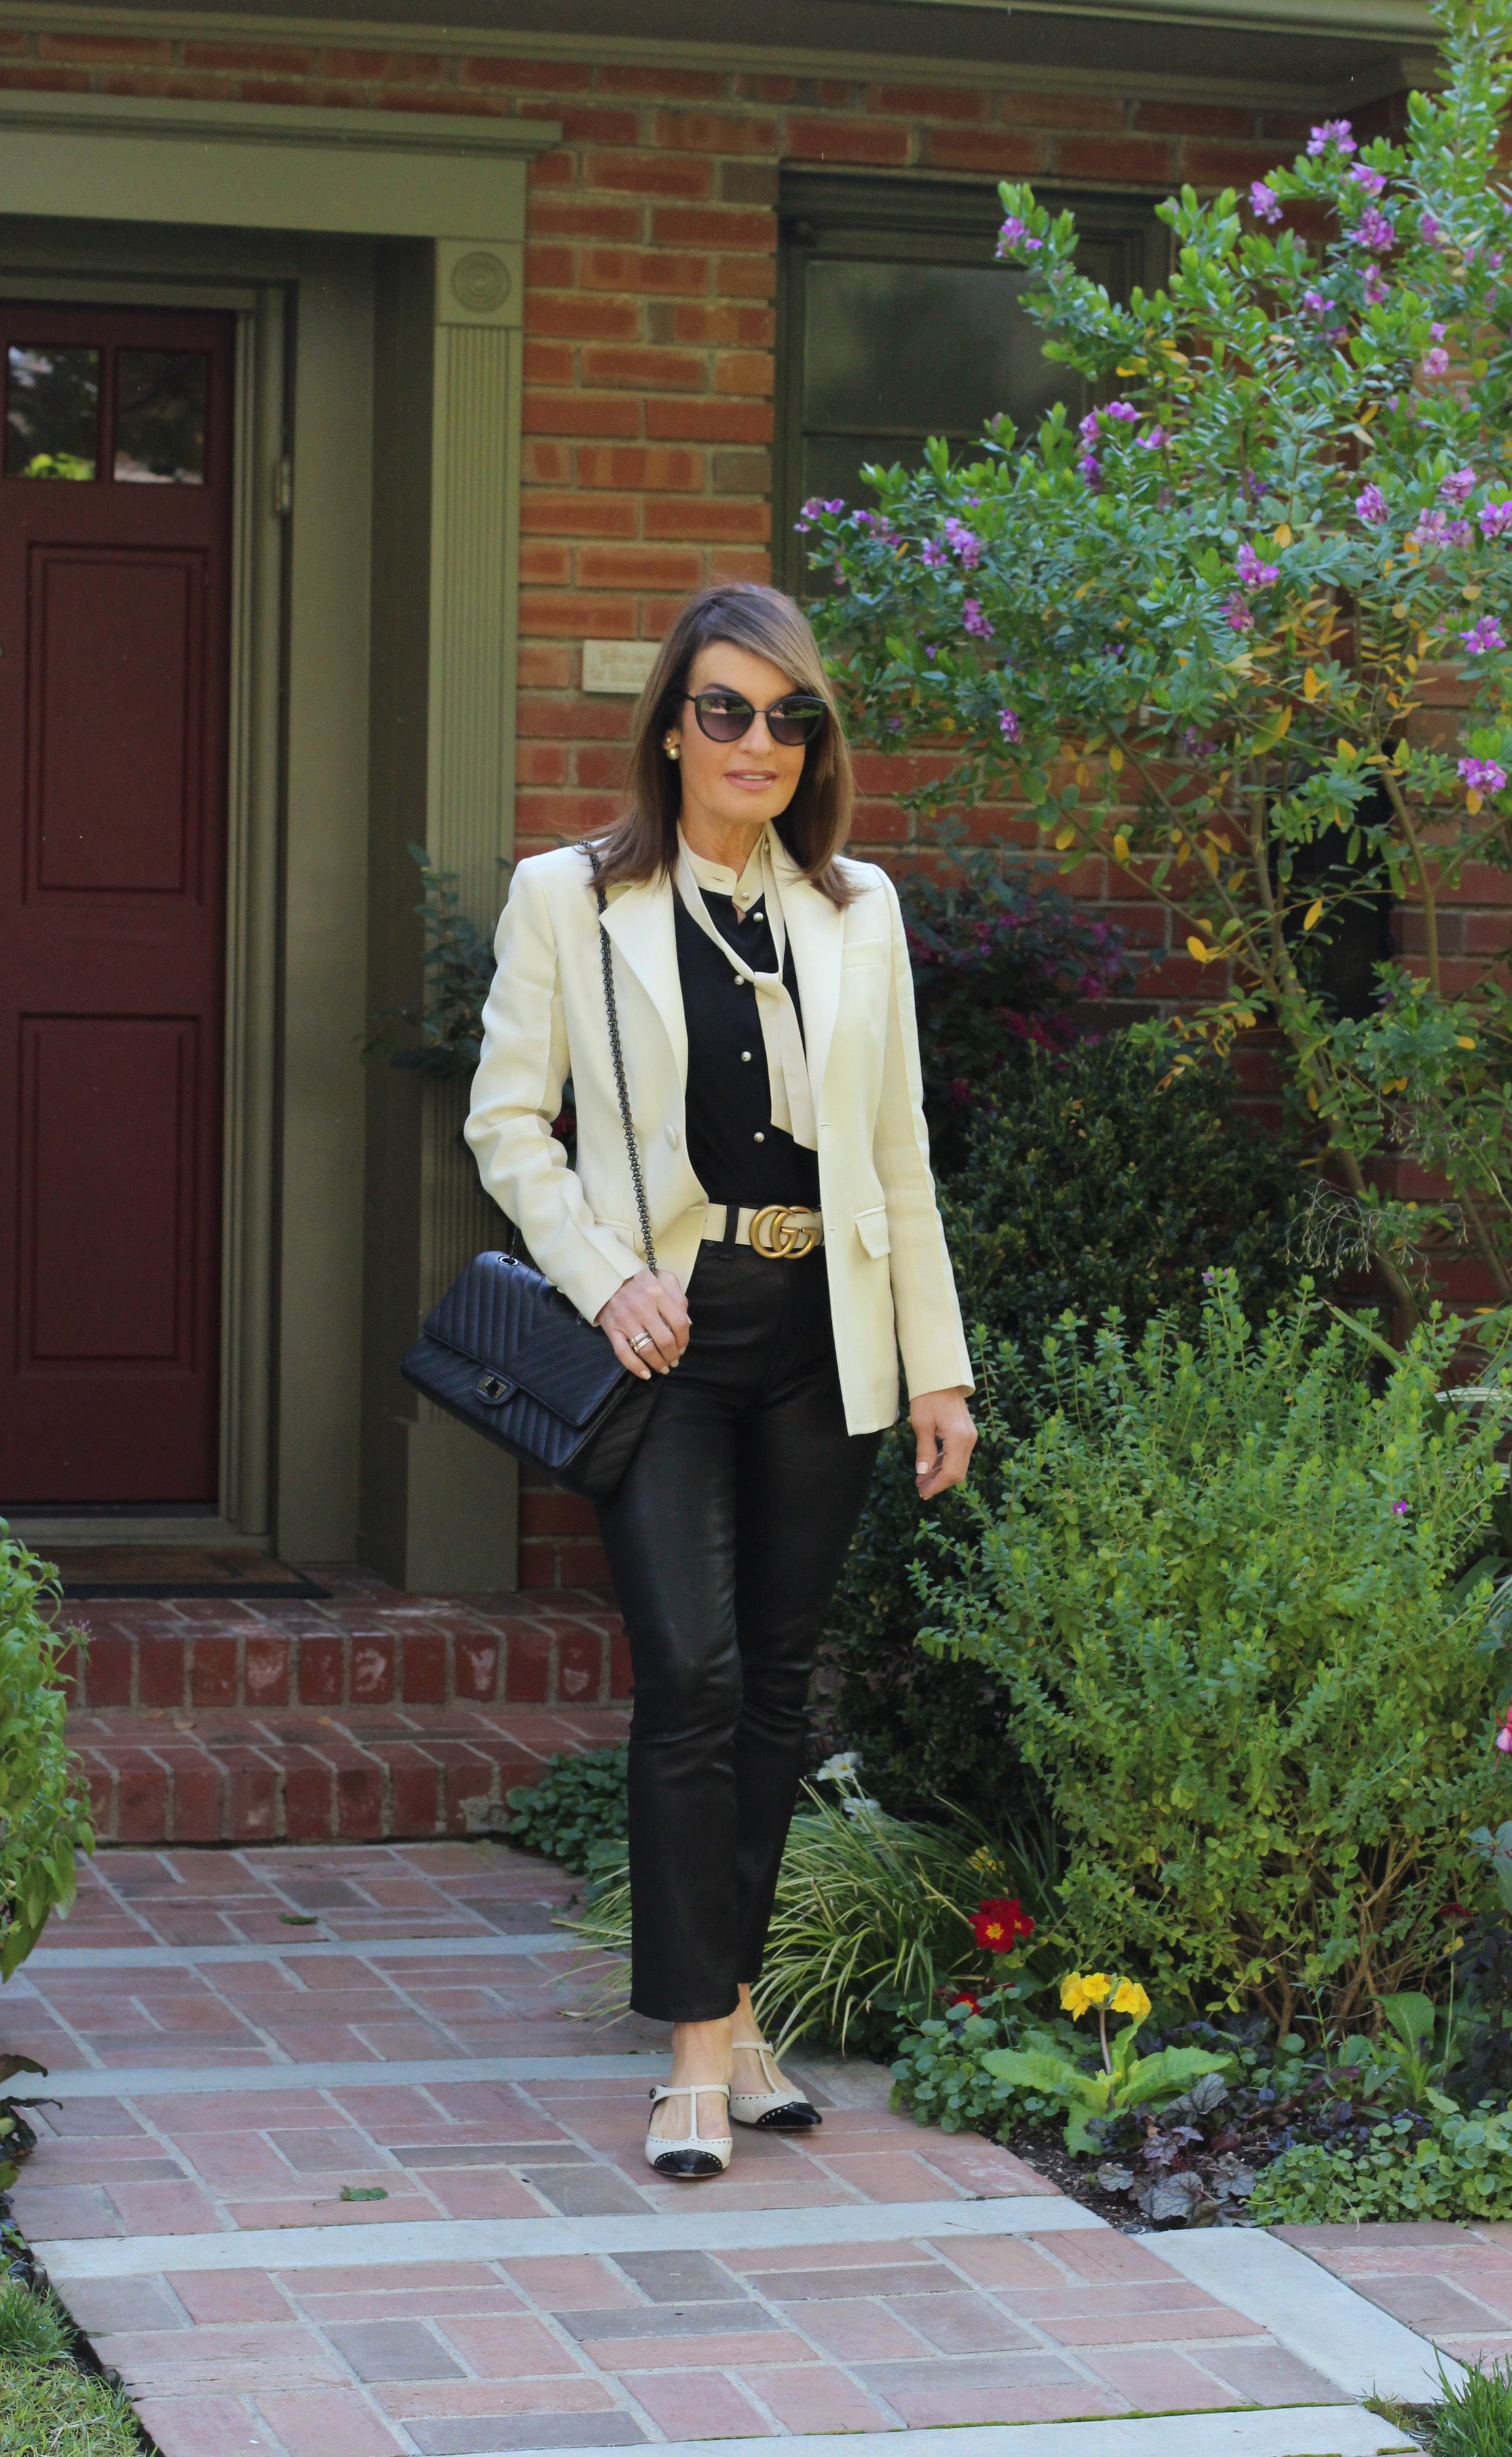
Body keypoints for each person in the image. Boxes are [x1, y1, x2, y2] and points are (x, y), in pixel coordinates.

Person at [466, 581, 974, 2176]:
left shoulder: (855, 906)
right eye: (725, 710)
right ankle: (692, 2051)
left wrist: (938, 1371)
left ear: (813, 740)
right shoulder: (570, 897)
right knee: (687, 1675)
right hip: (668, 1329)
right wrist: (606, 1275)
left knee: (773, 1684)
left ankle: (736, 2012)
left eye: (786, 716)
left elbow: (894, 1150)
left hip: (828, 1324)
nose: (757, 741)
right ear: (671, 729)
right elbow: (503, 1123)